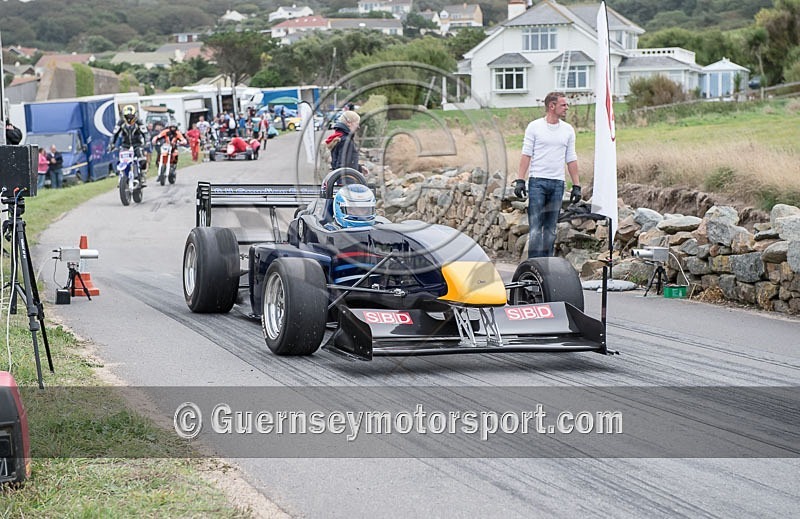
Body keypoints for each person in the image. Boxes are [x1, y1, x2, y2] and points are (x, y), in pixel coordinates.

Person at [514, 92, 582, 258]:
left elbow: (571, 158)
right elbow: (526, 154)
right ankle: (533, 268)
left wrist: (577, 185)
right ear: (552, 106)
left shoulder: (568, 130)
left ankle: (547, 267)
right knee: (536, 229)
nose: (567, 107)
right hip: (538, 183)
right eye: (563, 105)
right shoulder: (535, 127)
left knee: (551, 230)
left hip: (558, 184)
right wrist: (520, 180)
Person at [109, 105, 149, 175]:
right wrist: (112, 144)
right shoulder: (121, 123)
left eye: (130, 115)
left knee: (142, 160)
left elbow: (145, 133)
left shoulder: (138, 122)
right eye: (127, 116)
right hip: (125, 145)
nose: (129, 118)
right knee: (121, 161)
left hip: (137, 144)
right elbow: (115, 134)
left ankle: (142, 175)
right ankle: (122, 175)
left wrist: (147, 142)